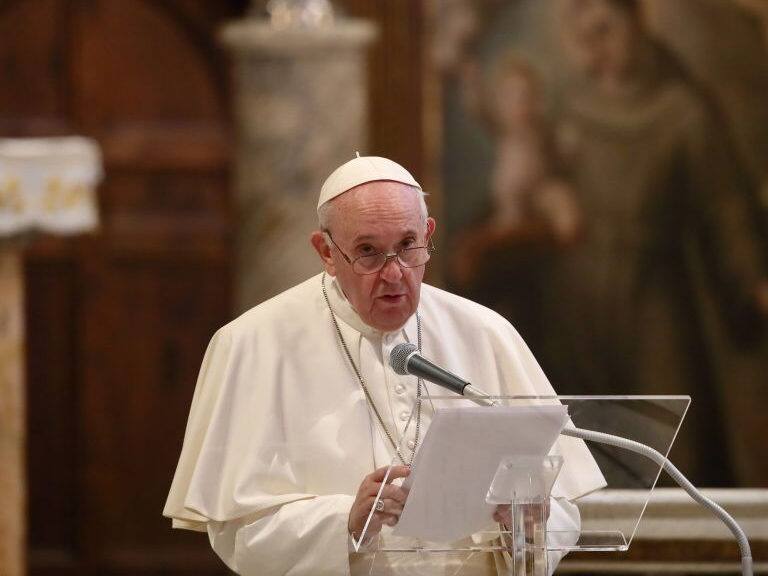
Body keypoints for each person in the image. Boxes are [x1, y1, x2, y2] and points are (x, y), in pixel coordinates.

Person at [163, 156, 605, 575]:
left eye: (408, 246)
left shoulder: (487, 334)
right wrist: (345, 521)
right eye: (369, 251)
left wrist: (528, 525)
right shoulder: (252, 344)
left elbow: (562, 503)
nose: (395, 274)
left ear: (428, 233)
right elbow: (235, 533)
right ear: (326, 251)